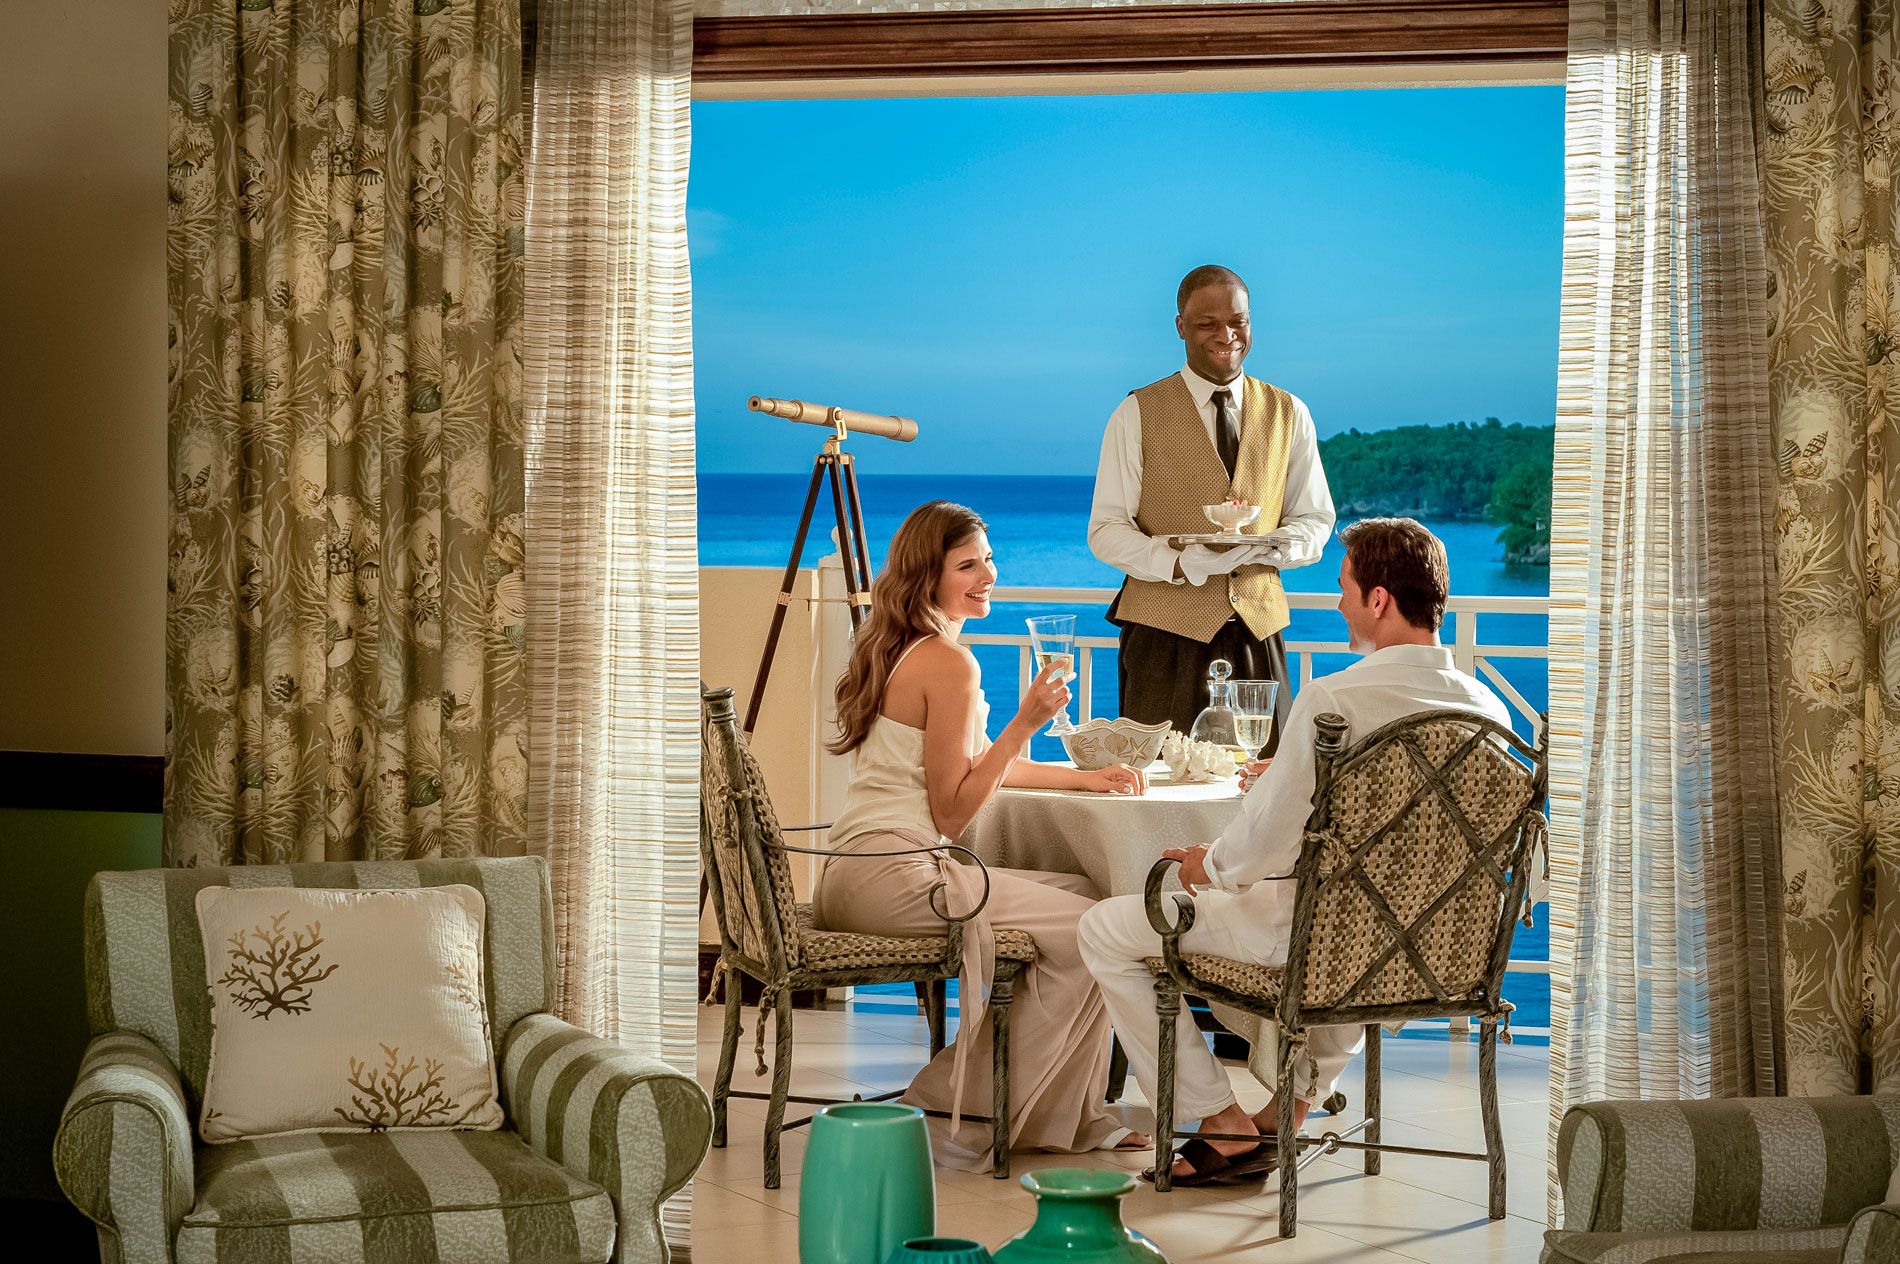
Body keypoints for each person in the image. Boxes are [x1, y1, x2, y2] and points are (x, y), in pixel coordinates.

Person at [1076, 518, 1512, 1185]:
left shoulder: (1335, 700)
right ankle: (1285, 1115)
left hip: (1314, 946)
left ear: (1377, 600)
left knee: (1105, 928)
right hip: (1431, 952)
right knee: (1360, 926)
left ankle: (1217, 1122)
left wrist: (1205, 866)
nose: (1337, 603)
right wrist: (1292, 775)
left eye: (1344, 588)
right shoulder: (1489, 711)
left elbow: (1256, 850)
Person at [814, 499, 1152, 1169]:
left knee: (1087, 890)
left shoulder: (910, 646)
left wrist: (1083, 779)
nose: (988, 576)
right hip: (899, 874)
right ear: (926, 578)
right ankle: (1004, 1100)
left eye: (989, 559)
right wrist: (1025, 720)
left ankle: (988, 1088)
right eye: (968, 565)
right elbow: (950, 812)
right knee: (1101, 926)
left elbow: (967, 767)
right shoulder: (949, 662)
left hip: (855, 872)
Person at [1088, 264, 1336, 751]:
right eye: (1207, 324)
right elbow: (1106, 529)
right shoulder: (1136, 412)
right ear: (1180, 326)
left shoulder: (1291, 412)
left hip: (1257, 634)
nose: (1226, 335)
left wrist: (1281, 549)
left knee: (1263, 792)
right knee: (1158, 793)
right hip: (1163, 637)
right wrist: (1179, 563)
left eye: (1238, 321)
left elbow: (1315, 517)